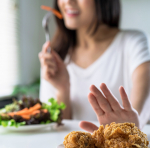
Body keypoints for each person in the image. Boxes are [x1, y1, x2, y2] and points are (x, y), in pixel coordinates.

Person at [39, 0, 150, 130]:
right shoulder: (55, 58)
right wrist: (63, 88)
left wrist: (129, 129)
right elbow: (59, 129)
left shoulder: (134, 42)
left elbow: (142, 109)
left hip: (124, 147)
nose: (68, 1)